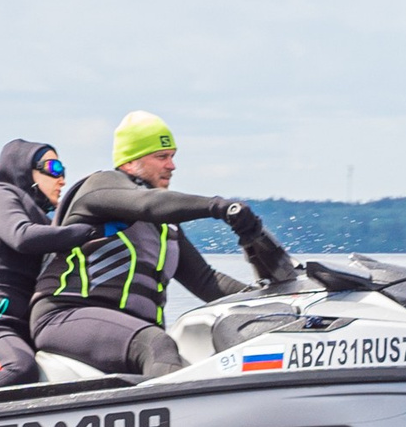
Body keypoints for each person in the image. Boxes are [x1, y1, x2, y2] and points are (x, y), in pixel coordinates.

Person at [31, 111, 294, 378]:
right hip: (65, 317)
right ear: (131, 162)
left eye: (172, 156)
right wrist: (220, 207)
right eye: (161, 157)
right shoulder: (101, 186)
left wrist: (273, 297)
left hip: (128, 331)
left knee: (201, 359)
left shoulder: (165, 227)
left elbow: (206, 281)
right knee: (158, 345)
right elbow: (147, 204)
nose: (172, 166)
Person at [0, 140, 100, 390]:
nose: (61, 179)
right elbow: (22, 236)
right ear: (23, 170)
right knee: (19, 367)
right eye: (53, 168)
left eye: (63, 170)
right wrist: (88, 232)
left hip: (22, 328)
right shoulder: (0, 197)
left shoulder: (45, 223)